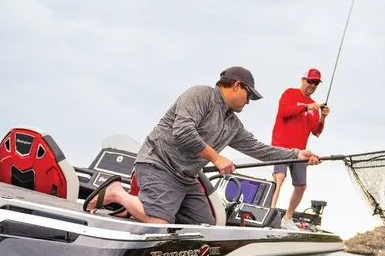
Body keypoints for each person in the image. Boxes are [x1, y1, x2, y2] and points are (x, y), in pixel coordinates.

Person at [84, 66, 321, 225]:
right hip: (158, 164)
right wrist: (216, 158)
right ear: (236, 86)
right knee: (159, 223)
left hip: (186, 178)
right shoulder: (200, 95)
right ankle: (117, 192)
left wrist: (296, 154)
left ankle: (139, 209)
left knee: (205, 229)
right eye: (249, 95)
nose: (249, 102)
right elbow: (183, 132)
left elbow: (258, 149)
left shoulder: (233, 124)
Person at [270, 68, 330, 230]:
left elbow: (316, 131)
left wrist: (323, 116)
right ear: (303, 79)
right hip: (281, 145)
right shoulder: (290, 94)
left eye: (316, 83)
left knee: (301, 186)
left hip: (300, 151)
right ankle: (270, 215)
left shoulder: (314, 108)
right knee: (280, 177)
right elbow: (283, 112)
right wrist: (306, 107)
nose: (312, 85)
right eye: (310, 81)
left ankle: (287, 218)